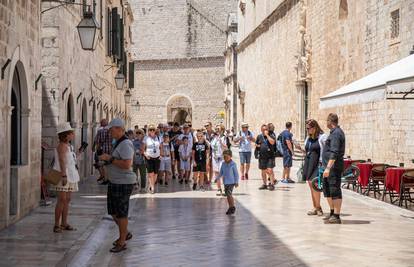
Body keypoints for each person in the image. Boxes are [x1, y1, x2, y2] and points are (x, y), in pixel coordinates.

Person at [98, 118, 137, 253]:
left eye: (111, 129)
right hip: (115, 181)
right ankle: (125, 233)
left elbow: (127, 164)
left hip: (123, 182)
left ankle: (122, 242)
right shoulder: (118, 142)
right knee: (113, 212)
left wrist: (110, 159)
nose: (109, 131)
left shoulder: (125, 143)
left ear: (119, 129)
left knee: (121, 213)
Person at [51, 122, 81, 233]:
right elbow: (62, 161)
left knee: (67, 200)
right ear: (66, 135)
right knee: (61, 200)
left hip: (71, 175)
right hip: (63, 175)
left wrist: (78, 153)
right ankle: (56, 225)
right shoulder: (62, 146)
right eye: (71, 133)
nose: (73, 135)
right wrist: (64, 175)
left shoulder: (69, 146)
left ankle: (64, 223)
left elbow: (70, 160)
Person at [296, 119, 327, 216]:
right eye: (306, 129)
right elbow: (307, 151)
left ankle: (318, 208)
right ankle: (315, 207)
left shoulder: (322, 137)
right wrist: (299, 149)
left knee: (315, 185)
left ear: (315, 127)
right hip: (308, 162)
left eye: (308, 128)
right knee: (310, 184)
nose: (307, 130)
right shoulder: (308, 138)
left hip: (317, 163)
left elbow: (327, 150)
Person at [322, 113, 345, 224]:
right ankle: (332, 213)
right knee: (328, 190)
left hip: (333, 168)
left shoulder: (336, 134)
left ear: (330, 122)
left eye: (327, 121)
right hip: (329, 167)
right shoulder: (333, 133)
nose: (326, 123)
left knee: (334, 189)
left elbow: (334, 152)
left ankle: (336, 215)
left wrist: (328, 168)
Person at [256, 124, 277, 190]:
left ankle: (272, 184)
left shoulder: (271, 135)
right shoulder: (259, 136)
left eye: (266, 129)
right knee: (263, 171)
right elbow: (257, 144)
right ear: (261, 130)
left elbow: (273, 142)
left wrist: (267, 135)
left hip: (270, 156)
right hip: (262, 156)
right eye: (263, 130)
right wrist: (257, 145)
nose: (265, 131)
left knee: (270, 170)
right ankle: (264, 184)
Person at [218, 150, 239, 215]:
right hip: (225, 182)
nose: (225, 158)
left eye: (227, 157)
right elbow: (221, 172)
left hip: (231, 182)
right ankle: (230, 207)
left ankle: (232, 207)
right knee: (227, 195)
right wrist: (217, 178)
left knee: (229, 194)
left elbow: (236, 174)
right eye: (224, 157)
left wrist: (236, 182)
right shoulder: (223, 164)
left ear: (230, 156)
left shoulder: (233, 164)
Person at [143, 124, 161, 194]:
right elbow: (142, 148)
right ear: (148, 131)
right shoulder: (146, 138)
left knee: (156, 173)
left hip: (157, 157)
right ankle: (152, 188)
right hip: (149, 157)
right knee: (151, 173)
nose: (152, 131)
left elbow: (161, 147)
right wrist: (145, 154)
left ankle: (152, 184)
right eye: (150, 130)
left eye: (153, 129)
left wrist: (161, 155)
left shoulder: (158, 138)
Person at [93, 119, 112, 184]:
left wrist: (97, 150)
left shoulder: (100, 131)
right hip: (111, 150)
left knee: (103, 164)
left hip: (103, 150)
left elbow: (97, 142)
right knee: (110, 164)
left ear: (102, 124)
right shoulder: (112, 131)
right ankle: (109, 178)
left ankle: (105, 179)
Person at [211, 125, 228, 195]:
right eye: (216, 129)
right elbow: (211, 146)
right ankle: (219, 188)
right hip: (215, 158)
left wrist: (221, 143)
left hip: (222, 158)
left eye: (218, 129)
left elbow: (226, 148)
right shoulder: (214, 138)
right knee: (217, 174)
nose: (217, 130)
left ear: (222, 130)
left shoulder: (224, 138)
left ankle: (225, 189)